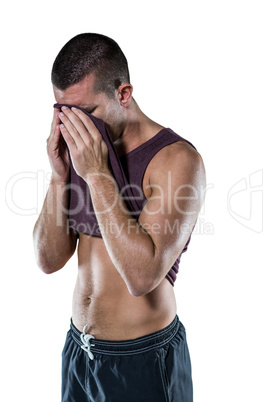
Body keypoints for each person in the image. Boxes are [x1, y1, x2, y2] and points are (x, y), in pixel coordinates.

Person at [33, 33, 206, 402]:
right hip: (80, 351)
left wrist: (96, 174)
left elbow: (141, 276)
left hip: (142, 358)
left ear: (123, 94)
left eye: (87, 112)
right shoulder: (84, 153)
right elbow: (48, 260)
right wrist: (60, 174)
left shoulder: (176, 160)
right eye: (65, 112)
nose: (75, 126)